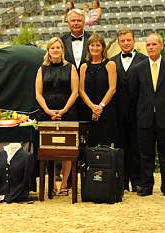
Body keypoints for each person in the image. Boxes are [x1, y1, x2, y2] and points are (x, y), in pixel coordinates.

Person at [130, 33, 165, 197]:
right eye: (148, 44)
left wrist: (164, 107)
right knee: (146, 155)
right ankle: (146, 186)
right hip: (144, 119)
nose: (151, 47)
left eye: (154, 44)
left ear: (161, 46)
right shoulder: (138, 68)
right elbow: (134, 93)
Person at [35, 37, 79, 195]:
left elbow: (75, 91)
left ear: (62, 50)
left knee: (68, 150)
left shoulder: (71, 68)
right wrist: (47, 110)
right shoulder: (41, 69)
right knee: (47, 150)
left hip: (67, 113)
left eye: (58, 47)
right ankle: (52, 184)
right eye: (52, 47)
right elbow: (38, 93)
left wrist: (64, 110)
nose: (55, 50)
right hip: (46, 114)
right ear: (48, 50)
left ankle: (64, 185)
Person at [111, 28, 147, 192]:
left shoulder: (144, 61)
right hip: (117, 114)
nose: (126, 43)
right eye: (123, 40)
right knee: (120, 147)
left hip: (138, 113)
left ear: (134, 41)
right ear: (118, 42)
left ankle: (137, 181)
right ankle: (122, 181)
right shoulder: (111, 62)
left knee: (137, 148)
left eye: (128, 40)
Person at [79, 33, 117, 147]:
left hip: (106, 110)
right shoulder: (84, 66)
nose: (95, 48)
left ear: (103, 47)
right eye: (92, 45)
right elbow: (81, 90)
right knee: (90, 143)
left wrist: (100, 107)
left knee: (106, 143)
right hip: (88, 110)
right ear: (88, 47)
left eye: (98, 45)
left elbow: (112, 88)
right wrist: (92, 107)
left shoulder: (110, 64)